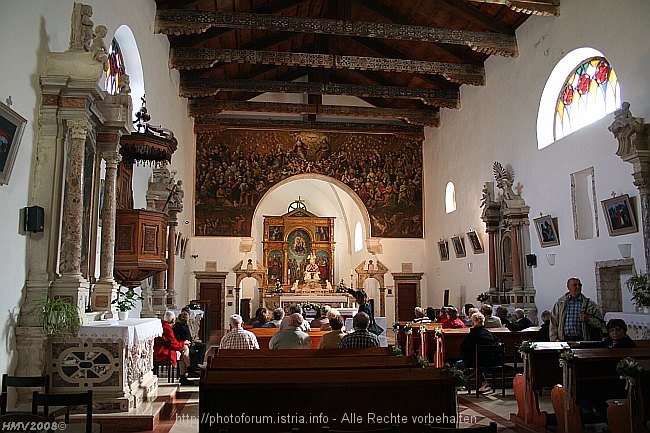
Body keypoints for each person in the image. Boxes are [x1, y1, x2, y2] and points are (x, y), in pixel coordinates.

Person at [550, 277, 605, 342]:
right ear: (568, 287)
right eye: (575, 285)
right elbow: (553, 323)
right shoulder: (560, 304)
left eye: (580, 285)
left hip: (583, 340)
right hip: (564, 340)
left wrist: (588, 320)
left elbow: (601, 324)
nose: (578, 287)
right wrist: (555, 340)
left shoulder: (590, 304)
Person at [458, 312, 502, 393]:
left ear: (473, 322)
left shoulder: (473, 334)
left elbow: (464, 347)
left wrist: (466, 358)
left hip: (478, 361)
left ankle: (460, 384)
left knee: (459, 364)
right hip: (493, 361)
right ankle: (484, 383)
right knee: (477, 361)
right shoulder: (487, 333)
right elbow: (498, 343)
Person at [154, 311, 192, 385]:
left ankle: (184, 374)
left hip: (157, 350)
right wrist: (183, 342)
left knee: (183, 351)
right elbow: (174, 344)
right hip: (164, 352)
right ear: (173, 320)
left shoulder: (160, 325)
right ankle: (187, 370)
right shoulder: (167, 328)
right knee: (185, 349)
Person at [173, 311, 207, 375]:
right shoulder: (184, 328)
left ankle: (196, 365)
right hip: (185, 345)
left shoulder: (176, 326)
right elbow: (187, 340)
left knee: (202, 346)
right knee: (198, 349)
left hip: (184, 344)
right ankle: (195, 366)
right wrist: (192, 342)